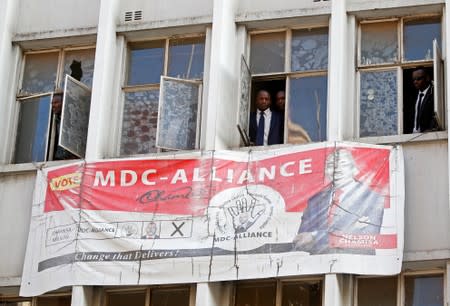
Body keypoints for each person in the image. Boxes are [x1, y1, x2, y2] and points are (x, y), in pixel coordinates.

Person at [293, 148, 385, 255]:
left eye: (343, 164)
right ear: (326, 171)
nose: (337, 169)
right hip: (319, 263)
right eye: (331, 165)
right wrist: (350, 228)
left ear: (354, 169)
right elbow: (301, 240)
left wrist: (314, 236)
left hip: (357, 263)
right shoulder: (315, 200)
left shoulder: (372, 198)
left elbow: (366, 237)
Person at [405, 68, 438, 133]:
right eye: (413, 79)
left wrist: (431, 128)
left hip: (427, 135)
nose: (415, 82)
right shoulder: (412, 97)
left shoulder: (434, 94)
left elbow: (435, 116)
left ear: (427, 78)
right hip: (412, 136)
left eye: (418, 79)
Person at [51, 93, 77, 160]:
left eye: (56, 102)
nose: (53, 105)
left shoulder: (72, 119)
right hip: (59, 158)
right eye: (52, 103)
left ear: (64, 103)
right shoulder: (54, 121)